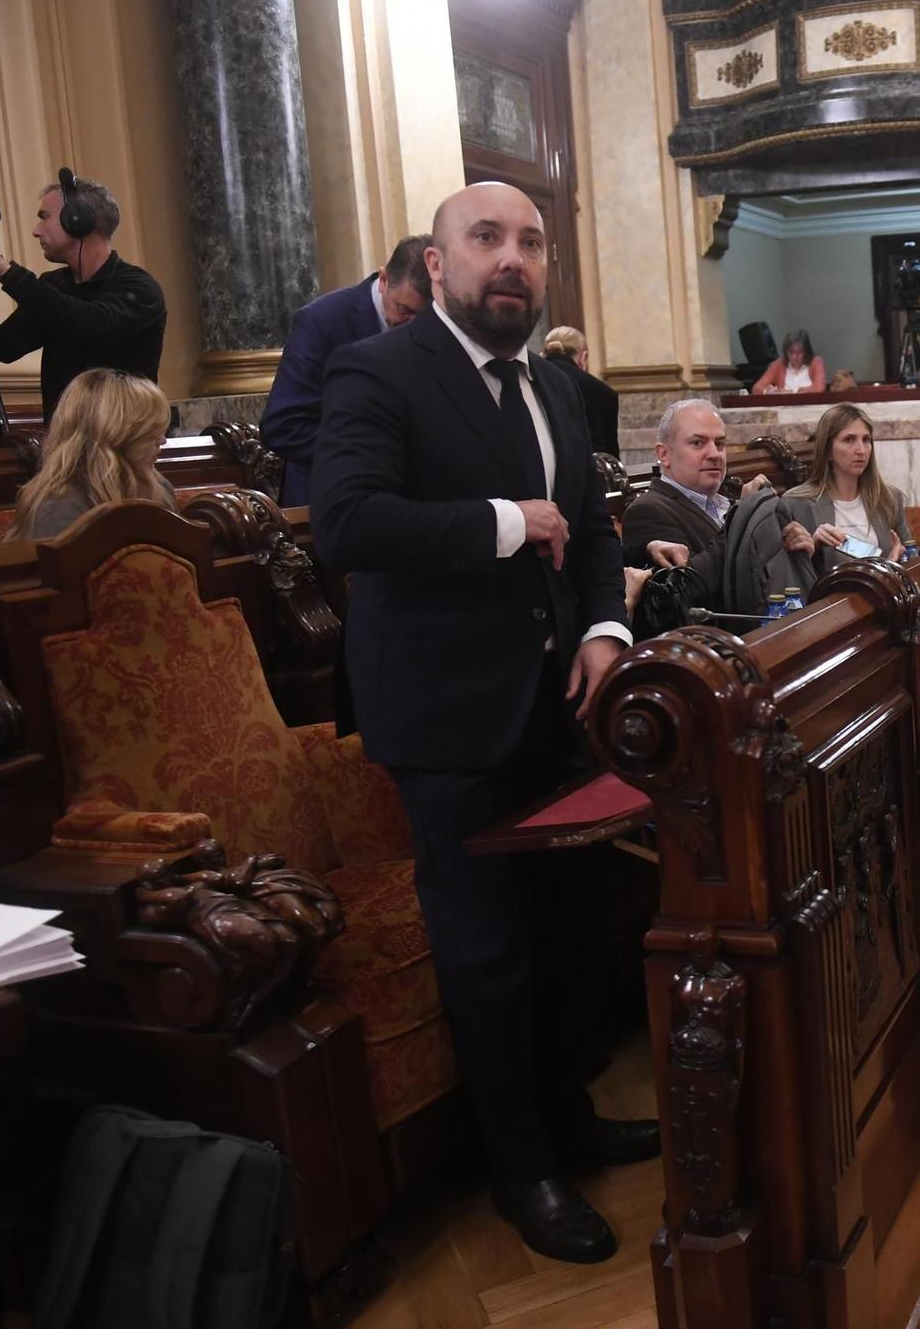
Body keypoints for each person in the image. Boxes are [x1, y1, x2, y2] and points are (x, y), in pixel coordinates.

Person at [312, 181, 657, 1266]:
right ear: (435, 264)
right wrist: (511, 522)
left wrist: (605, 628)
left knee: (567, 931)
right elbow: (349, 523)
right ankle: (521, 1170)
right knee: (486, 951)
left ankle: (567, 1120)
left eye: (530, 243)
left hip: (557, 702)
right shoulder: (377, 370)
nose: (512, 258)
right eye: (487, 240)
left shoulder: (555, 383)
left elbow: (595, 528)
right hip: (442, 713)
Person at [0, 173, 166, 419]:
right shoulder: (55, 285)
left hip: (124, 439)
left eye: (44, 217)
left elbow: (92, 323)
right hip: (65, 441)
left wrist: (4, 270)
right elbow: (7, 345)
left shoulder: (139, 287)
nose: (35, 231)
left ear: (77, 220)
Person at [260, 233, 432, 505]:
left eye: (423, 316)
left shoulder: (436, 328)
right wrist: (377, 454)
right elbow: (283, 426)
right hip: (327, 501)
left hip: (412, 504)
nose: (413, 325)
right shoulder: (321, 322)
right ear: (384, 279)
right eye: (404, 310)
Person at [7, 368, 175, 540]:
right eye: (152, 432)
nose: (162, 440)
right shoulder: (58, 507)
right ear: (116, 434)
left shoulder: (159, 488)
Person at [786, 403, 913, 565]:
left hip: (884, 589)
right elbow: (788, 574)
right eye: (849, 440)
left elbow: (911, 557)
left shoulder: (889, 498)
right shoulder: (796, 504)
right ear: (828, 451)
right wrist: (815, 547)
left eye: (866, 440)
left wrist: (896, 563)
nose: (861, 450)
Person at [540, 326, 620, 454]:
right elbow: (610, 456)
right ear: (583, 357)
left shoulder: (528, 379)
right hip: (586, 471)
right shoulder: (601, 391)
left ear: (544, 353)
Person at [750, 330, 826, 394]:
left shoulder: (816, 362)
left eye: (798, 352)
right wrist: (767, 391)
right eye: (790, 352)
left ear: (806, 351)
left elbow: (819, 388)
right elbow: (756, 388)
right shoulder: (778, 364)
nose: (794, 357)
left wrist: (793, 392)